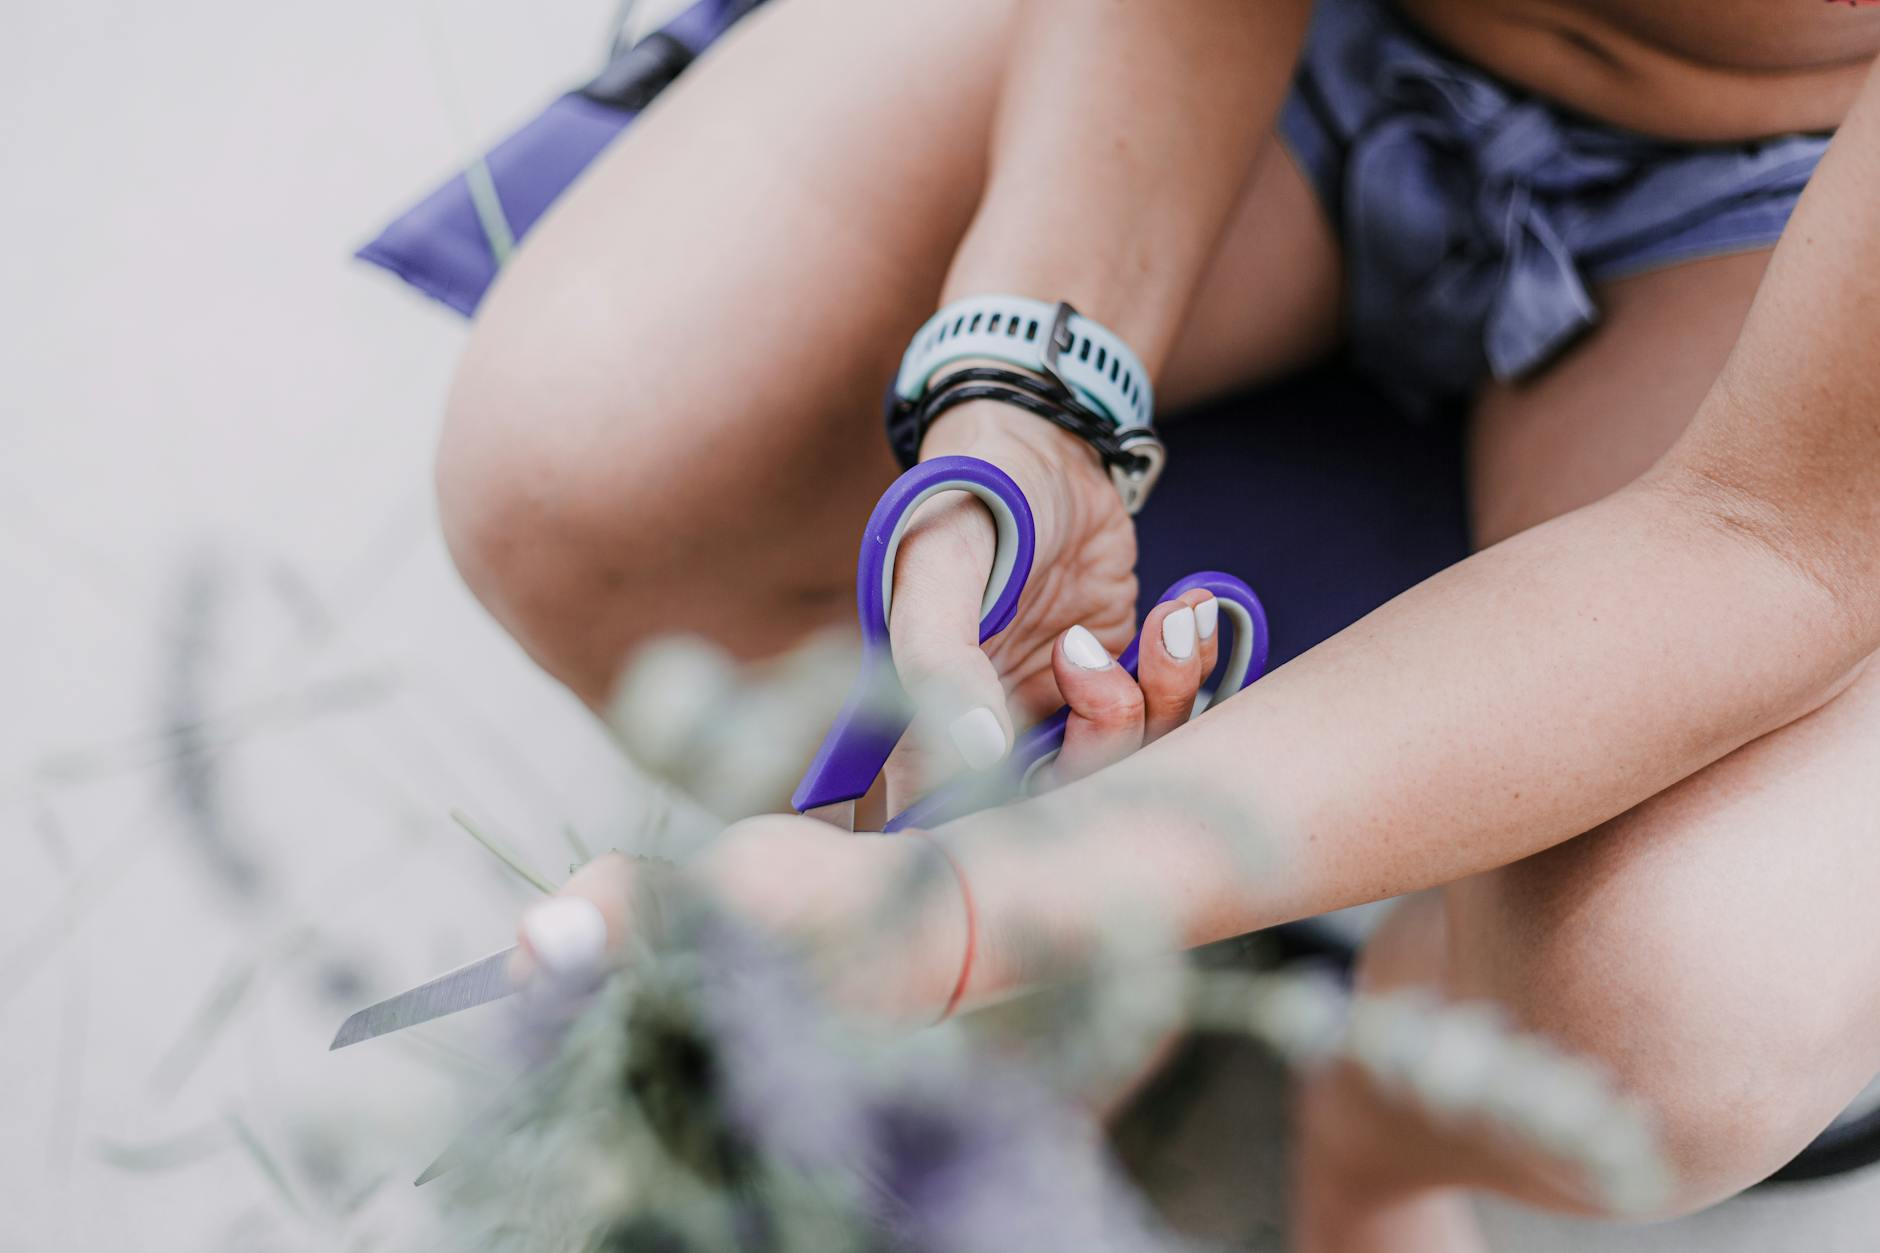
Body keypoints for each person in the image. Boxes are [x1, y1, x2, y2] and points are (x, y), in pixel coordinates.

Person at [434, 0, 1880, 1247]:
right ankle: (1038, 975)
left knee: (1670, 1005)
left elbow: (1775, 540)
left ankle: (1362, 1119)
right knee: (577, 476)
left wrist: (984, 905)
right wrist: (1030, 396)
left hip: (1799, 220)